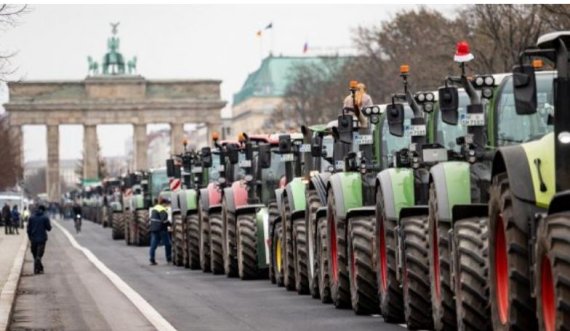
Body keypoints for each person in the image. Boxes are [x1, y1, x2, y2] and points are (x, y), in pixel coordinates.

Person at [27, 205, 52, 274]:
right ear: (43, 210)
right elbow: (49, 228)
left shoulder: (31, 217)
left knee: (34, 254)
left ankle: (37, 268)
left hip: (33, 238)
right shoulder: (45, 218)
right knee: (39, 254)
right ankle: (38, 266)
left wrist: (30, 237)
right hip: (42, 238)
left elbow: (28, 229)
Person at [148, 196, 172, 265]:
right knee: (168, 244)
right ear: (164, 203)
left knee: (153, 245)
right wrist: (170, 225)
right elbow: (164, 220)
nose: (168, 205)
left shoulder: (155, 208)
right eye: (167, 204)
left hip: (153, 229)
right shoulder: (162, 209)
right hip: (161, 229)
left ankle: (152, 259)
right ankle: (169, 258)